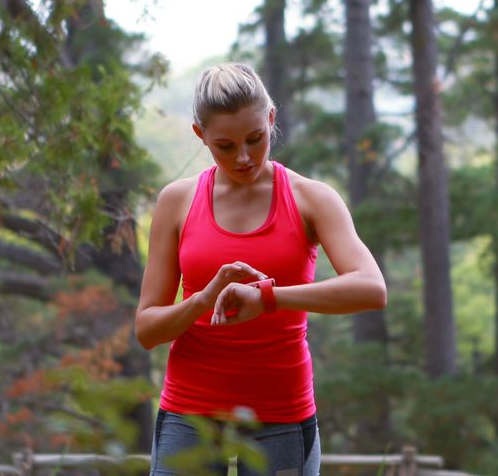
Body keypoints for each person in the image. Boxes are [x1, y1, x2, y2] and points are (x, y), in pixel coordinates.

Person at [135, 62, 387, 476]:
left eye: (255, 138)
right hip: (190, 413)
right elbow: (148, 329)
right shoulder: (176, 201)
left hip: (281, 414)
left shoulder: (311, 198)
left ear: (272, 119)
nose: (244, 157)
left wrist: (268, 298)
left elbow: (371, 288)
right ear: (200, 136)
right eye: (225, 146)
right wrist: (202, 299)